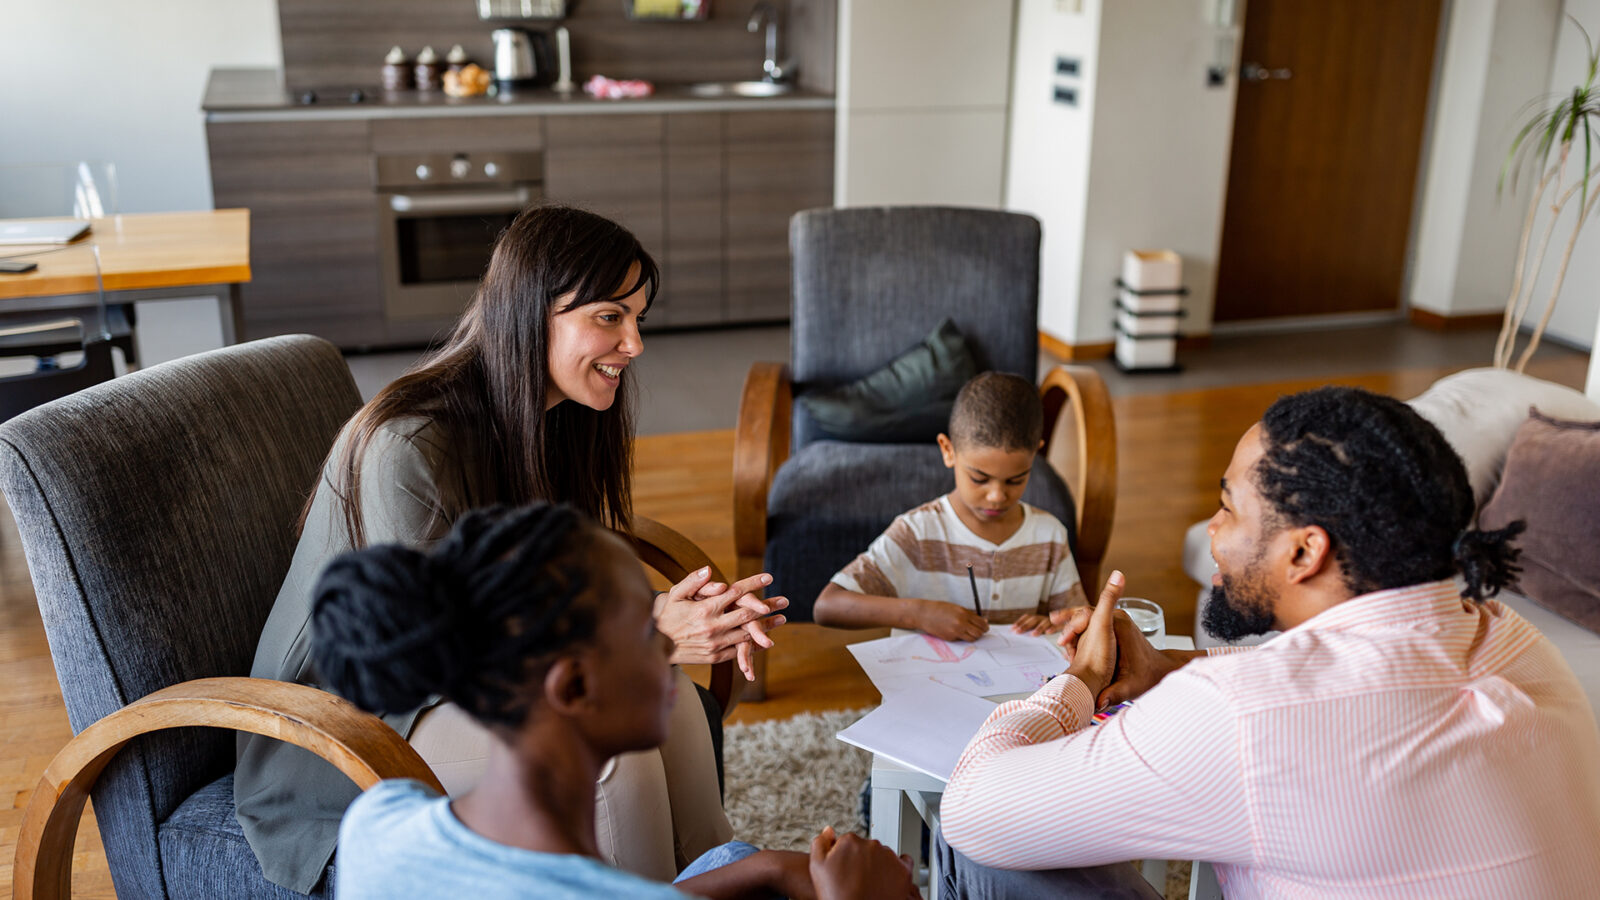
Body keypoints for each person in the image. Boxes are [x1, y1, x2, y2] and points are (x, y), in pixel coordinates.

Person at [237, 205, 788, 893]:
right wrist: (650, 632)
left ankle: (718, 871)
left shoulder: (555, 419)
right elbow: (447, 648)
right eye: (610, 316)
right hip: (364, 716)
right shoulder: (409, 444)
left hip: (479, 674)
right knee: (615, 759)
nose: (636, 344)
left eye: (638, 317)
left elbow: (541, 590)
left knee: (668, 699)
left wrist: (670, 612)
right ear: (532, 313)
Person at [935, 386, 1600, 898]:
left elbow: (973, 806)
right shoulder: (1509, 640)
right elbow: (1336, 689)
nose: (1212, 530)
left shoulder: (1243, 715)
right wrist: (1170, 668)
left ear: (1305, 550)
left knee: (989, 851)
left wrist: (1075, 684)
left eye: (1228, 507)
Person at [318, 503, 918, 900]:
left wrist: (759, 868)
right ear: (573, 687)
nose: (669, 649)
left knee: (741, 858)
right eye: (644, 630)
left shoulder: (378, 821)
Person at [814, 372, 1087, 641]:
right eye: (979, 478)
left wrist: (1051, 624)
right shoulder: (917, 532)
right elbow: (828, 606)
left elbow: (1075, 619)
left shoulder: (1049, 535)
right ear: (948, 450)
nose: (997, 496)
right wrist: (919, 613)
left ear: (1035, 455)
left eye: (1016, 480)